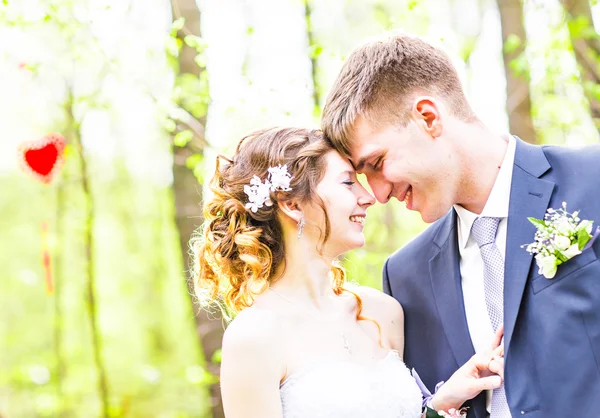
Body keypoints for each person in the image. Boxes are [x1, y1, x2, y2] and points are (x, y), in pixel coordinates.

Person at [321, 32, 600, 418]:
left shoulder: (593, 181)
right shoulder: (405, 275)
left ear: (428, 117)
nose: (379, 194)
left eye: (378, 163)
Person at [191, 127, 504, 418]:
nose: (368, 197)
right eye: (347, 182)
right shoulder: (254, 338)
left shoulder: (382, 312)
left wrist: (441, 403)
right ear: (293, 205)